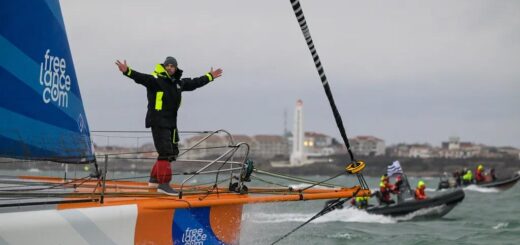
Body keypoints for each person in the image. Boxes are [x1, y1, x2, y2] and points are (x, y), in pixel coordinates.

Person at [115, 57, 223, 194]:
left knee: (170, 153)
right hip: (158, 121)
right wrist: (127, 71)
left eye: (173, 66)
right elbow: (140, 77)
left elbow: (194, 82)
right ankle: (164, 185)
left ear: (176, 68)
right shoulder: (155, 80)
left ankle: (154, 182)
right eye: (168, 66)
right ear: (164, 67)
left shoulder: (178, 83)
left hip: (171, 123)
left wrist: (210, 76)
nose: (170, 68)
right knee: (165, 153)